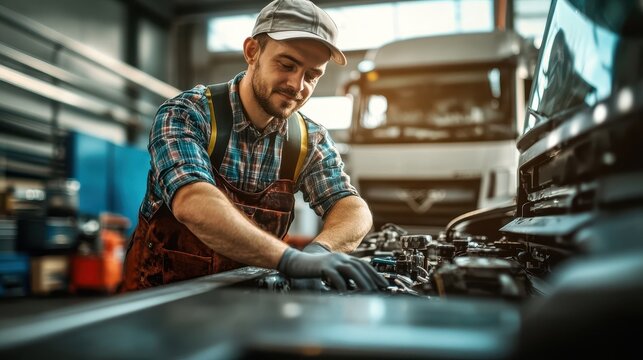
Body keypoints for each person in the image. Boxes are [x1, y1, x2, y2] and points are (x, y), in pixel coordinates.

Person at [122, 0, 387, 292]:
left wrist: (320, 252)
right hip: (158, 307)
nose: (297, 86)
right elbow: (193, 202)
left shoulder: (308, 139)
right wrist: (289, 260)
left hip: (250, 307)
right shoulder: (187, 114)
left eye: (312, 76)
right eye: (287, 65)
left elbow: (352, 208)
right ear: (252, 52)